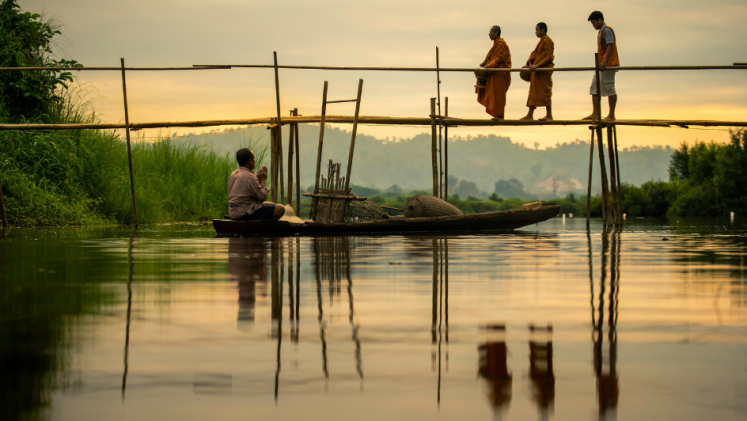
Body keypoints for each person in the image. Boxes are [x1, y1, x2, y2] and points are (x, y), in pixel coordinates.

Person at [227, 148, 285, 221]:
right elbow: (263, 196)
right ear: (250, 161)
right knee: (281, 209)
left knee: (270, 203)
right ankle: (260, 227)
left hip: (233, 212)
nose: (254, 161)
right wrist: (263, 180)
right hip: (244, 213)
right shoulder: (249, 176)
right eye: (254, 159)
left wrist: (258, 180)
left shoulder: (233, 174)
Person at [584, 11, 619, 121]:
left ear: (600, 20)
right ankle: (596, 113)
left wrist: (605, 61)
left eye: (594, 22)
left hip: (608, 65)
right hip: (601, 65)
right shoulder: (601, 31)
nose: (593, 25)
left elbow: (610, 45)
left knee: (609, 88)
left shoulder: (607, 30)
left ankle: (611, 115)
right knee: (594, 88)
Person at [476, 25, 512, 120]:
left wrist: (488, 66)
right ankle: (497, 114)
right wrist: (484, 65)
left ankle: (500, 115)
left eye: (491, 32)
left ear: (496, 33)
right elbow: (492, 58)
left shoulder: (500, 44)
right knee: (494, 93)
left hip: (499, 72)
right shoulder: (496, 44)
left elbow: (500, 58)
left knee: (498, 94)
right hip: (495, 71)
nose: (489, 34)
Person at [521, 22, 554, 121]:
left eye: (537, 30)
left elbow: (549, 56)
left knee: (545, 92)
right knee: (533, 92)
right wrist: (530, 65)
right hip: (537, 71)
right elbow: (536, 55)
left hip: (543, 71)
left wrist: (537, 65)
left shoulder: (548, 41)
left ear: (543, 30)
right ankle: (530, 115)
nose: (535, 32)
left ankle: (549, 115)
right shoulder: (541, 41)